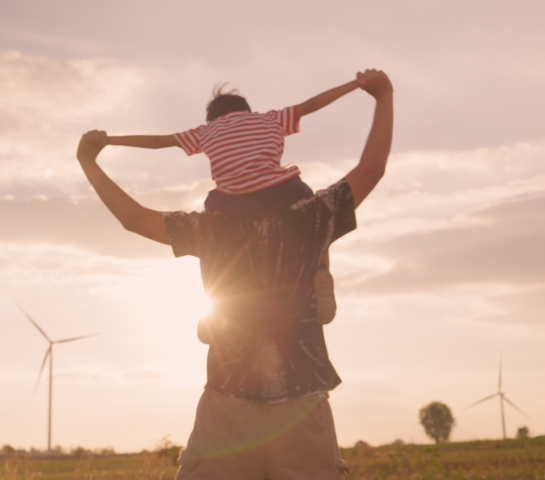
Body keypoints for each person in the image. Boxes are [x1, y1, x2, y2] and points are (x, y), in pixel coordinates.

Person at [76, 69, 393, 479]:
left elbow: (134, 217)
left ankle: (233, 308)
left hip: (229, 401)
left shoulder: (211, 226)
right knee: (314, 230)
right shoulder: (311, 210)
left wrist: (92, 157)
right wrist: (380, 95)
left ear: (212, 143)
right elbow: (371, 169)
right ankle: (318, 272)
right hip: (302, 399)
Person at [106, 79, 360, 325]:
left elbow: (156, 142)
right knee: (316, 219)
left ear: (212, 118)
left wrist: (108, 140)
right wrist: (355, 84)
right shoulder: (270, 118)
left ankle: (214, 303)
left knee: (208, 239)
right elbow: (313, 104)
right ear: (246, 110)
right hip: (284, 191)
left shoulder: (206, 131)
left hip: (231, 202)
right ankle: (321, 271)